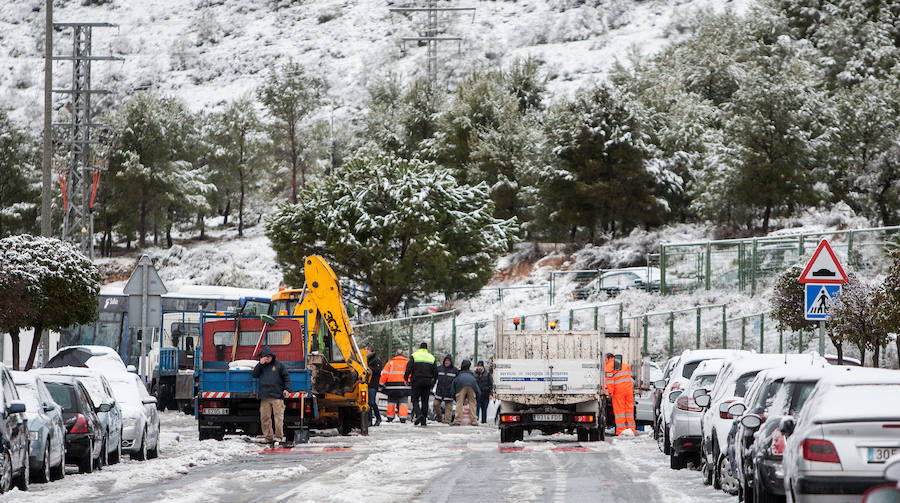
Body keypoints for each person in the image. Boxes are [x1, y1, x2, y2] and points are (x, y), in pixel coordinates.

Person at [251, 347, 291, 445]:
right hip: (264, 396)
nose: (267, 358)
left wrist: (287, 389)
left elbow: (286, 378)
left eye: (268, 357)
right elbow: (254, 374)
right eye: (265, 357)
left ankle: (278, 437)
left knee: (278, 418)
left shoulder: (279, 365)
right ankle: (268, 437)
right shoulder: (261, 366)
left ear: (272, 357)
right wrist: (260, 363)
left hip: (277, 396)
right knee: (265, 418)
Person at [404, 342, 437, 426]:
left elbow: (408, 368)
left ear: (419, 347)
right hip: (427, 382)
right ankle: (424, 420)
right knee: (424, 401)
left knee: (414, 400)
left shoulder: (414, 355)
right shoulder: (431, 357)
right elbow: (435, 372)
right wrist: (433, 382)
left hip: (416, 381)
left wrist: (406, 378)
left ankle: (419, 415)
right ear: (427, 348)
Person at [605, 353, 636, 436]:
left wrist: (610, 393)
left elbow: (609, 381)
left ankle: (621, 430)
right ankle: (631, 430)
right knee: (629, 410)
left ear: (609, 358)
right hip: (628, 390)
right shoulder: (625, 365)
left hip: (619, 391)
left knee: (620, 411)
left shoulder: (609, 366)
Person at [380, 349, 410, 423]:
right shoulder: (407, 362)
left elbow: (385, 374)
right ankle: (403, 418)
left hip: (391, 387)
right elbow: (411, 374)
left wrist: (381, 383)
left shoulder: (391, 362)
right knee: (403, 403)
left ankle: (390, 417)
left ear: (396, 354)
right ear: (403, 354)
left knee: (391, 402)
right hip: (404, 387)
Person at [451, 359, 481, 426]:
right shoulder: (472, 375)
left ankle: (457, 421)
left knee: (459, 403)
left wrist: (456, 399)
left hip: (461, 385)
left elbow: (453, 389)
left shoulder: (459, 375)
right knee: (472, 403)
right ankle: (474, 421)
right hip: (472, 385)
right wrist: (476, 399)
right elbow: (478, 390)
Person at [432, 354, 458, 423]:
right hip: (439, 391)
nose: (447, 362)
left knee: (448, 409)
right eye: (446, 360)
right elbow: (434, 377)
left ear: (451, 362)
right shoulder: (439, 368)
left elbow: (457, 381)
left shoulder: (455, 370)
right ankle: (439, 417)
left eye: (448, 361)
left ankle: (447, 422)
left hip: (449, 392)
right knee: (435, 404)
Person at [366, 345, 383, 426]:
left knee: (371, 402)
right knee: (368, 403)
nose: (365, 352)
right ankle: (370, 420)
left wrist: (369, 369)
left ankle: (378, 418)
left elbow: (377, 370)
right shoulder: (366, 360)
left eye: (367, 350)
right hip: (368, 384)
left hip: (373, 384)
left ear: (370, 351)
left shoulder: (376, 360)